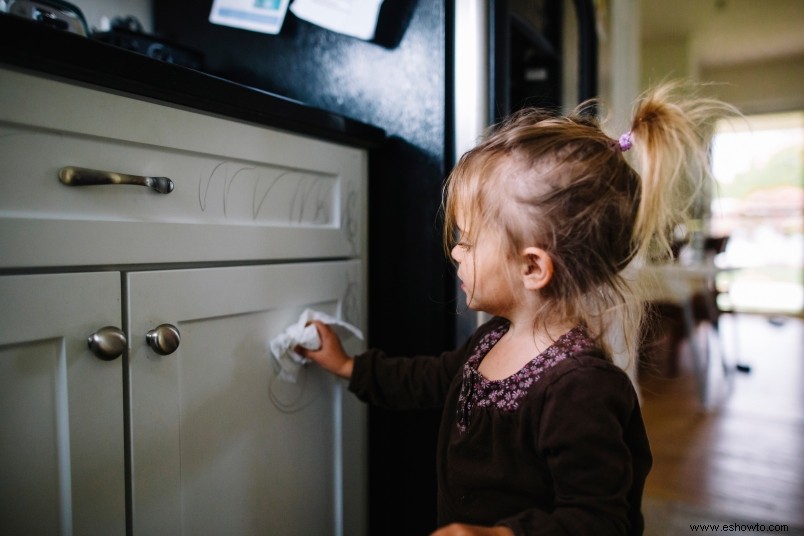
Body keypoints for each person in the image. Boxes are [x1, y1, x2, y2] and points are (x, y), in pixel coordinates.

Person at [297, 82, 736, 535]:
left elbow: (600, 519)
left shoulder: (581, 388)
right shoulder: (492, 339)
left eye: (467, 239)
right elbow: (429, 378)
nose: (456, 252)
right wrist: (349, 365)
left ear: (532, 267)